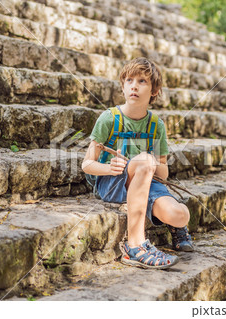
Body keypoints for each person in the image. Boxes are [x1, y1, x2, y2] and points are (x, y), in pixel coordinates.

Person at [82, 57, 194, 269]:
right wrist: (109, 167)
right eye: (129, 80)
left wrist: (150, 163)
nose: (134, 85)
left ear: (154, 91)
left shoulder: (156, 125)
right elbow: (87, 164)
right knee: (143, 161)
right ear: (123, 87)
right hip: (113, 182)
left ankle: (178, 227)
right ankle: (136, 246)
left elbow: (163, 174)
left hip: (146, 181)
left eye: (142, 81)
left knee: (178, 215)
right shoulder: (109, 119)